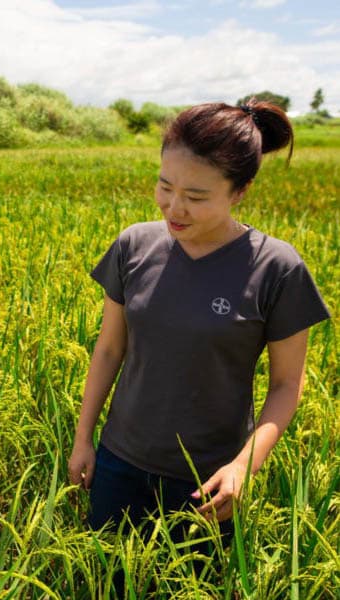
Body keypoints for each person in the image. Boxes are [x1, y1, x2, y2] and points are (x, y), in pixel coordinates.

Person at [67, 100, 330, 541]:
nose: (174, 208)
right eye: (165, 186)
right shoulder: (134, 245)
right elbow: (110, 348)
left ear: (240, 191)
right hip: (119, 462)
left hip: (207, 480)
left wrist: (243, 467)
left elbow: (287, 384)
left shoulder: (275, 267)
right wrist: (83, 439)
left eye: (196, 197)